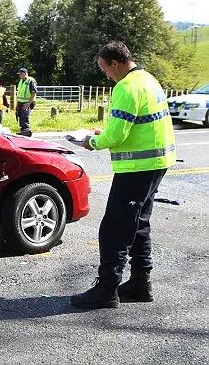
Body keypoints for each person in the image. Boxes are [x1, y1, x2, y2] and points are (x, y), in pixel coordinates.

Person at [70, 41, 176, 309]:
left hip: (137, 168)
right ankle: (141, 283)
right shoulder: (148, 79)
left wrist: (91, 142)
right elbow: (131, 124)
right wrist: (102, 133)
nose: (105, 74)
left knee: (114, 227)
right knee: (139, 222)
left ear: (115, 63)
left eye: (104, 69)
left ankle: (107, 289)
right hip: (156, 162)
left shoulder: (126, 87)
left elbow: (118, 134)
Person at [15, 68, 37, 136]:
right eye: (19, 74)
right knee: (20, 116)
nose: (19, 75)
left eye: (21, 74)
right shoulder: (21, 81)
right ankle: (23, 131)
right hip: (20, 102)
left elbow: (34, 93)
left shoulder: (31, 80)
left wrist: (28, 103)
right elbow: (19, 93)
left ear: (25, 73)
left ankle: (26, 131)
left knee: (24, 117)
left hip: (27, 102)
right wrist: (17, 104)